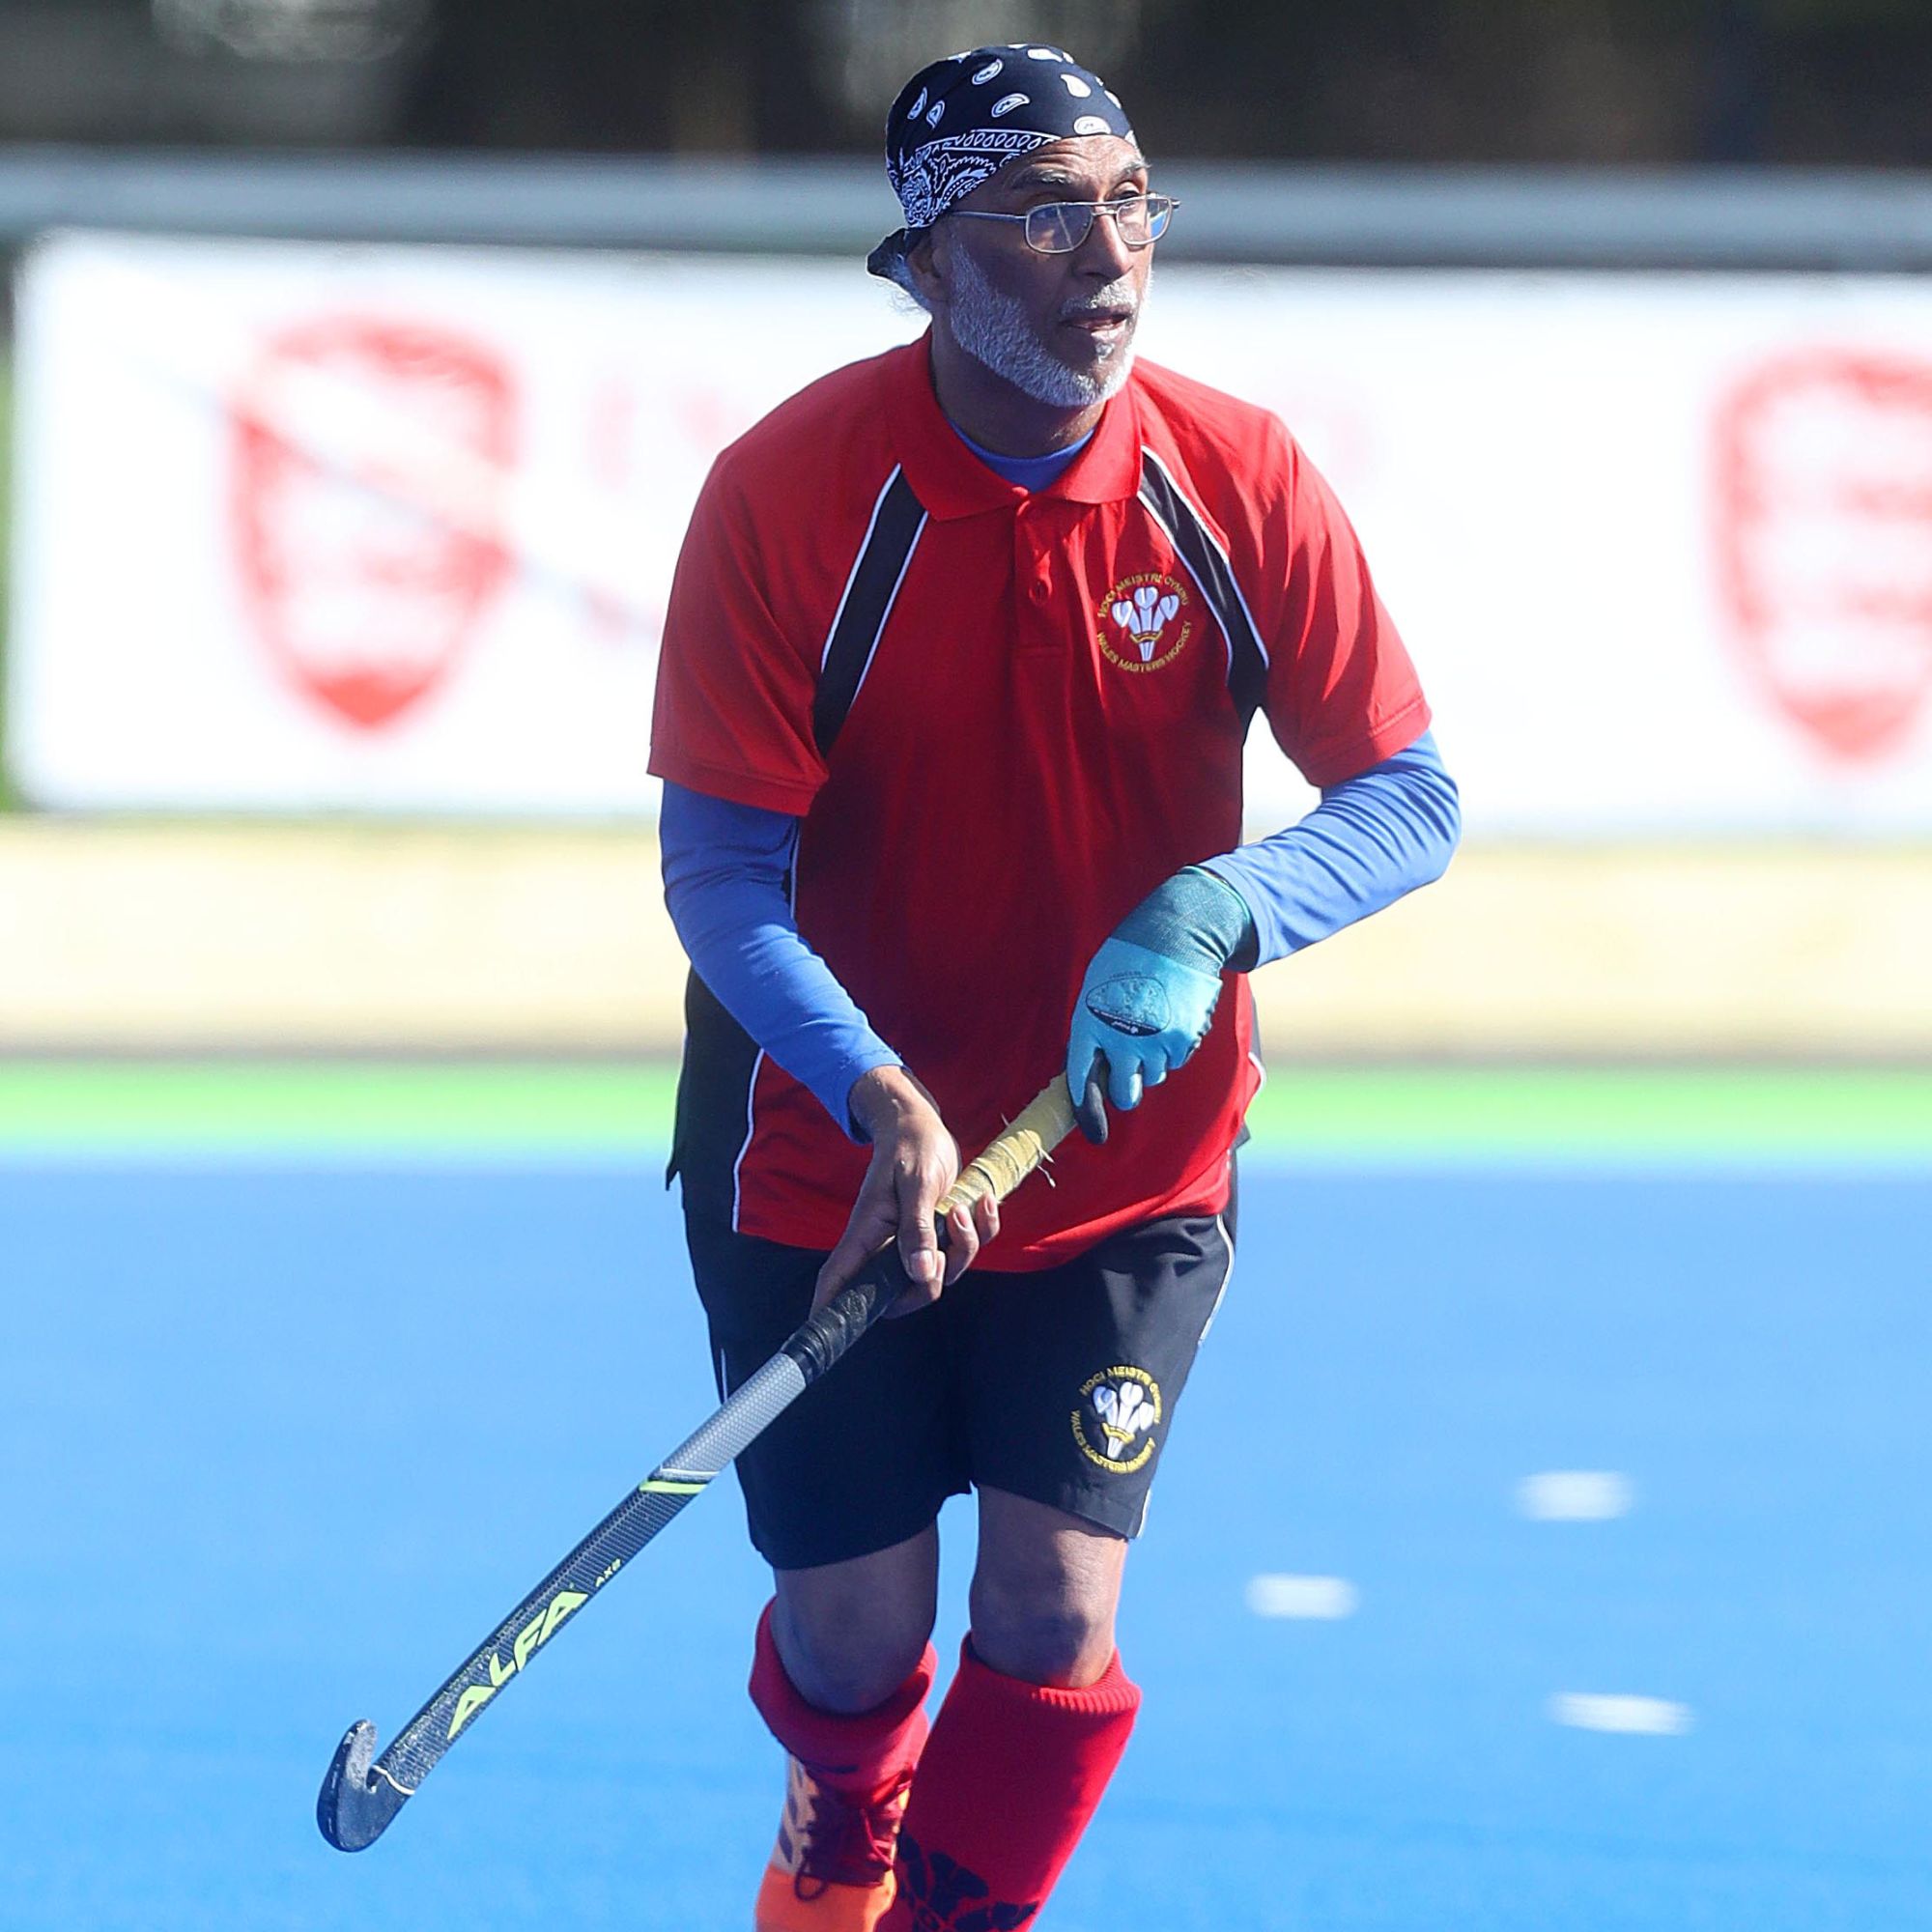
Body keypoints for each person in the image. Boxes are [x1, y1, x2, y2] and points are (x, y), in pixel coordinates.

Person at [648, 43, 1461, 1932]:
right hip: (818, 1151)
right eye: (1038, 213)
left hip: (1121, 1162)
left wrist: (1214, 910)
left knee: (1053, 1604)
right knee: (854, 1636)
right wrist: (881, 1098)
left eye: (1126, 204)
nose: (1104, 254)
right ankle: (843, 1813)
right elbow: (720, 881)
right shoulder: (788, 494)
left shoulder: (1235, 474)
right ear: (929, 264)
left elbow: (1405, 796)